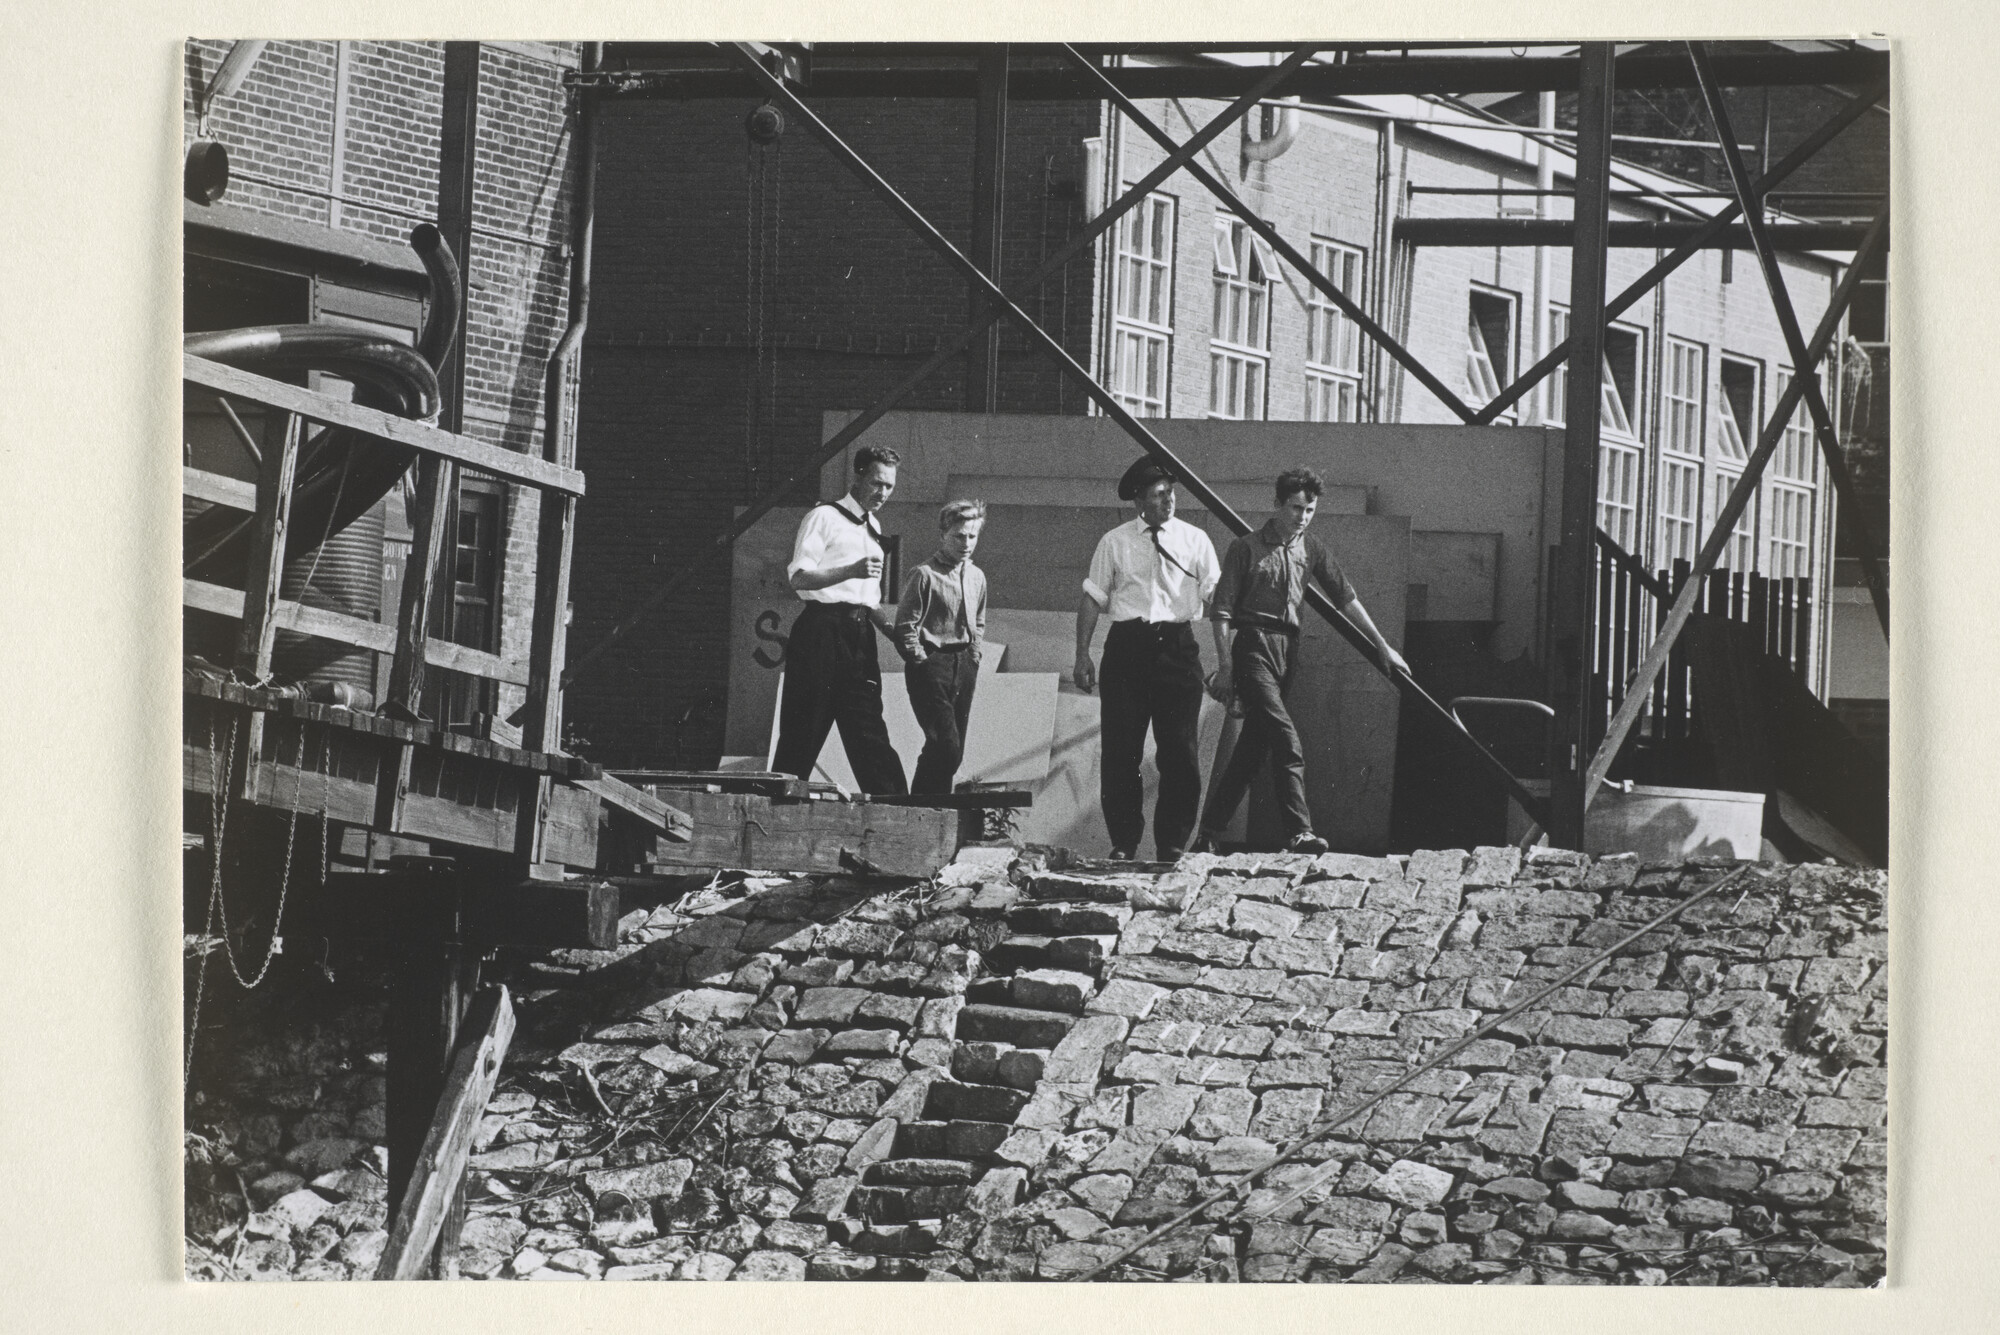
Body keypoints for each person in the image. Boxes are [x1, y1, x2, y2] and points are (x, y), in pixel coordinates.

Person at [1194, 467, 1409, 855]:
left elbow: (1345, 597)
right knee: (1286, 740)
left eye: (1310, 510)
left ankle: (1207, 832)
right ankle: (1299, 831)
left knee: (1253, 750)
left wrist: (1381, 644)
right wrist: (1226, 668)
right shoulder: (1245, 547)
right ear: (1277, 504)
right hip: (1252, 647)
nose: (1302, 517)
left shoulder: (1312, 548)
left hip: (1287, 652)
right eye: (1296, 508)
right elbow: (1222, 612)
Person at [1074, 457, 1221, 862]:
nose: (1168, 501)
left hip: (1177, 649)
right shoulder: (1115, 542)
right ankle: (1124, 841)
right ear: (1139, 501)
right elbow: (1093, 598)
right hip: (1127, 650)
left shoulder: (1195, 540)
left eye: (1171, 493)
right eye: (1158, 495)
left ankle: (1172, 844)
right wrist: (1081, 654)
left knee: (1180, 751)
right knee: (1122, 752)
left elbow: (1217, 597)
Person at [771, 444, 909, 794]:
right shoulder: (824, 517)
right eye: (877, 483)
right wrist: (852, 569)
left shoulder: (873, 527)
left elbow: (867, 598)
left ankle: (897, 811)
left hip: (860, 636)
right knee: (803, 729)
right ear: (859, 475)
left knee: (869, 730)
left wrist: (893, 632)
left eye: (889, 487)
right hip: (821, 630)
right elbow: (799, 578)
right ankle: (774, 813)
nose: (883, 493)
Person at [895, 499, 989, 795]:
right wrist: (921, 659)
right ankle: (923, 806)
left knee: (951, 750)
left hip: (964, 666)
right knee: (946, 745)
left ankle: (930, 808)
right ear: (943, 535)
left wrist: (973, 655)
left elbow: (979, 621)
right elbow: (905, 625)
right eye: (959, 535)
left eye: (972, 536)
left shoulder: (977, 576)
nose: (966, 543)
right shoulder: (924, 574)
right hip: (931, 664)